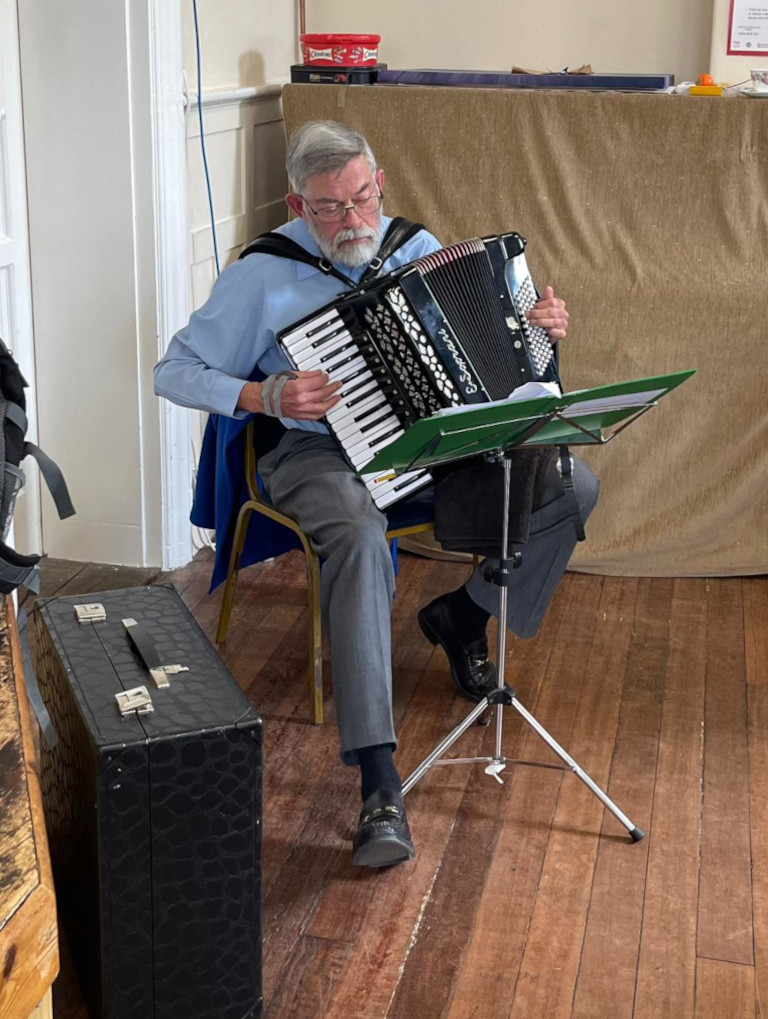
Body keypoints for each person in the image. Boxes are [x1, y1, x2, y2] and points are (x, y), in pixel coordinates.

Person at [154, 120, 598, 870]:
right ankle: (378, 779)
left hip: (425, 440)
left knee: (570, 482)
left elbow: (491, 355)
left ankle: (460, 615)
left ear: (379, 181)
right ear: (299, 206)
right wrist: (265, 393)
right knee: (358, 534)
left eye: (362, 197)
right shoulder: (262, 274)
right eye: (330, 207)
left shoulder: (416, 250)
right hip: (313, 450)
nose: (355, 220)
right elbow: (174, 369)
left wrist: (539, 332)